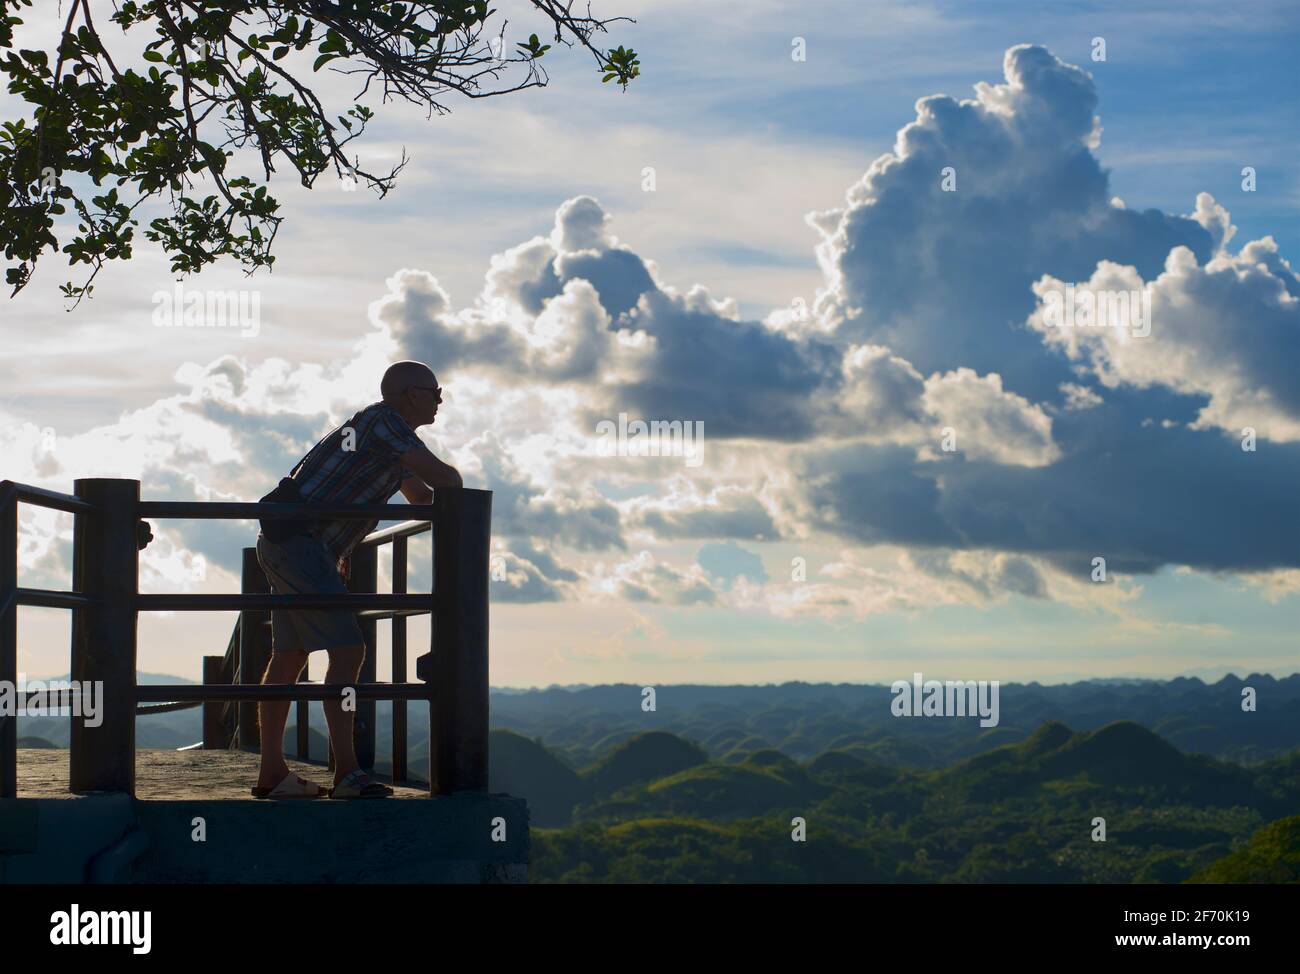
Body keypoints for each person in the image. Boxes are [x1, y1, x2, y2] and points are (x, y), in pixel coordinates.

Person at [251, 361, 462, 799]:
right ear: (410, 394)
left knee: (290, 657)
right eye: (435, 391)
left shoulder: (382, 439)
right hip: (302, 546)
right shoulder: (385, 422)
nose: (441, 399)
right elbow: (445, 480)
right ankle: (347, 773)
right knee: (348, 650)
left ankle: (273, 772)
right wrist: (466, 510)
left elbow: (421, 494)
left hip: (290, 544)